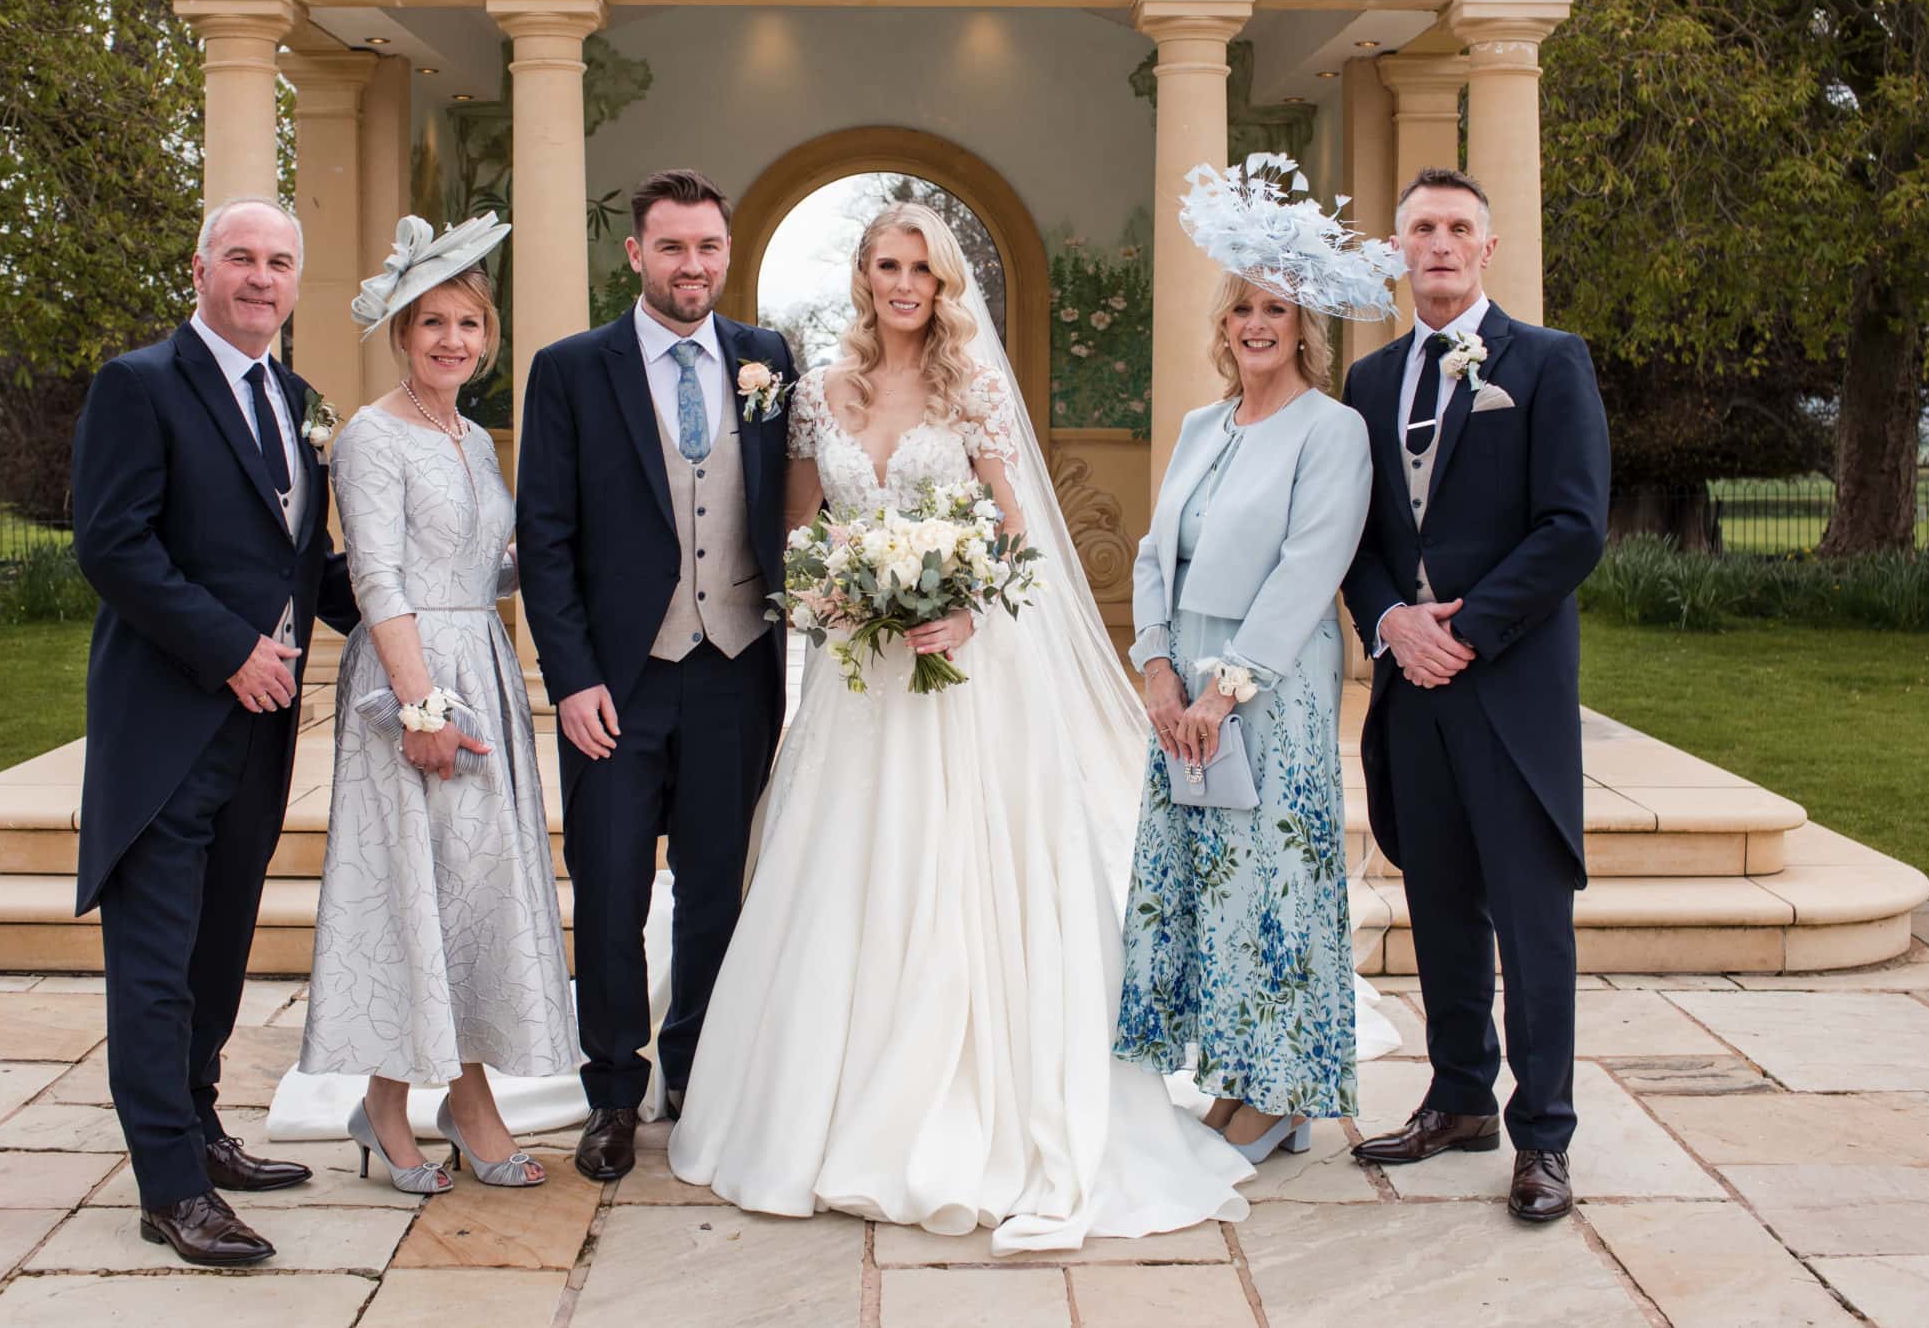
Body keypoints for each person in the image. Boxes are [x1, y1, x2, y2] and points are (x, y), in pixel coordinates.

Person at [668, 200, 1255, 1255]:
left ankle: (963, 1100)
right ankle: (822, 1106)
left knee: (953, 872)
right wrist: (839, 597)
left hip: (955, 674)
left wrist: (967, 605)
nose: (903, 284)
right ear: (863, 275)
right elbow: (803, 532)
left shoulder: (974, 389)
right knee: (845, 873)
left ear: (942, 285)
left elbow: (1019, 541)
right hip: (857, 685)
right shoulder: (819, 395)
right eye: (887, 265)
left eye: (921, 269)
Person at [70, 195, 359, 1267]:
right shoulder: (139, 385)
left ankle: (201, 1124)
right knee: (154, 958)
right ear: (199, 269)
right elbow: (113, 546)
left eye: (279, 262)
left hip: (262, 728)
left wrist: (421, 604)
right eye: (241, 257)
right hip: (170, 717)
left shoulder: (292, 396)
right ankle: (170, 1185)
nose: (261, 278)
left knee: (220, 942)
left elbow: (305, 564)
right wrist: (229, 648)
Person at [513, 169, 798, 1183]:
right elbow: (544, 540)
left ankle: (697, 1076)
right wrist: (573, 678)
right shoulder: (570, 370)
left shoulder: (767, 359)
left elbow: (790, 507)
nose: (692, 266)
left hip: (735, 669)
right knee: (611, 892)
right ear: (635, 255)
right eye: (672, 247)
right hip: (615, 685)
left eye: (708, 247)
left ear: (727, 253)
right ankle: (611, 1093)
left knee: (716, 889)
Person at [1341, 166, 1609, 1224]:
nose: (1439, 244)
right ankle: (1459, 1098)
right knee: (1439, 901)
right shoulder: (1366, 384)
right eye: (1421, 229)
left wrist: (1467, 626)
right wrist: (1390, 624)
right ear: (1399, 250)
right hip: (1412, 689)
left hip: (1509, 685)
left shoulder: (1547, 364)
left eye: (1458, 228)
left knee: (1532, 919)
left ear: (1486, 249)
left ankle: (1543, 1136)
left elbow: (1573, 525)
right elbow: (1356, 535)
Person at [295, 215, 575, 1195]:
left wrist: (566, 549)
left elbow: (483, 564)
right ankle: (441, 1104)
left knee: (461, 902)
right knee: (419, 894)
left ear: (486, 338)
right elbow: (376, 576)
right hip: (413, 680)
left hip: (482, 666)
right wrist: (420, 710)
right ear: (403, 336)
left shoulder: (470, 437)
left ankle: (413, 1104)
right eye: (432, 325)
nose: (452, 340)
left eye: (467, 324)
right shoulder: (371, 437)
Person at [1112, 253, 1380, 1164]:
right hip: (1184, 678)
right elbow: (1156, 551)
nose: (1257, 323)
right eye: (1242, 308)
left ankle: (1282, 1091)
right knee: (1207, 881)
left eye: (1277, 308)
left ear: (1307, 327)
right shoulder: (1201, 425)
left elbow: (1311, 565)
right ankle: (1233, 1078)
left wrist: (1225, 691)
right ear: (1223, 325)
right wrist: (1158, 668)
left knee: (1273, 882)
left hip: (1271, 682)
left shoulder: (1331, 430)